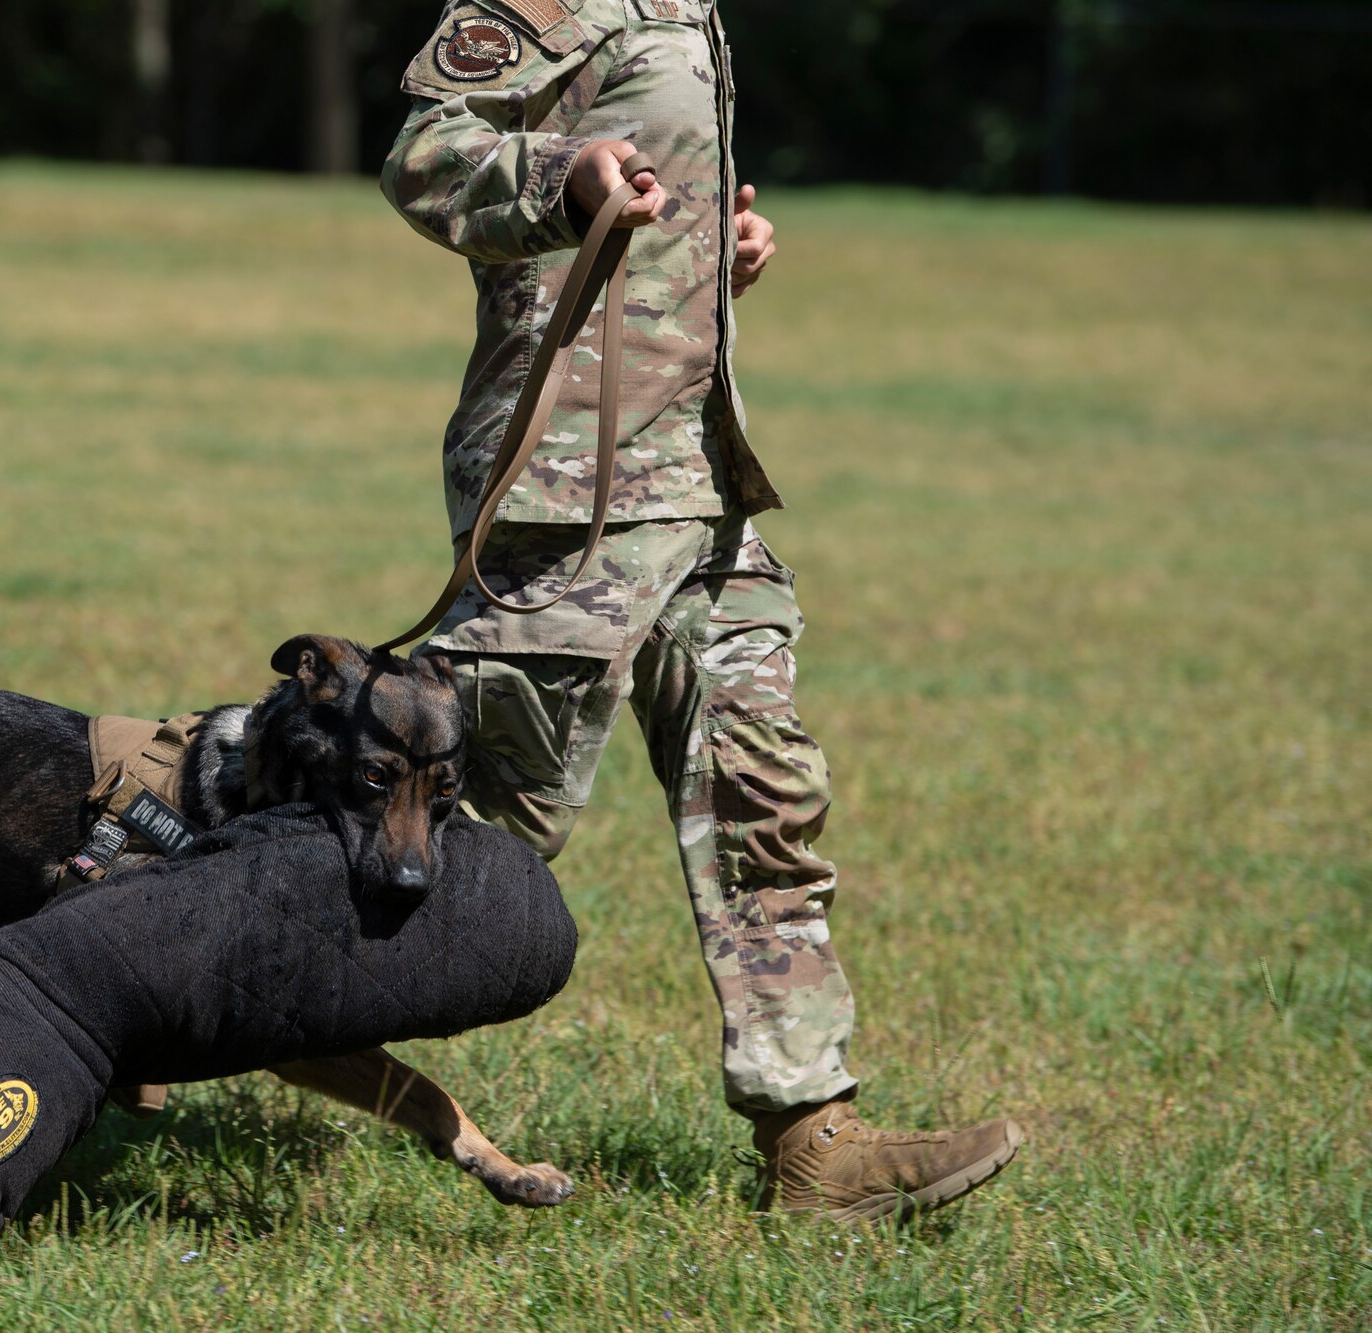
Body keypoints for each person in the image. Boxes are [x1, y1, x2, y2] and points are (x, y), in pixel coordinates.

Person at [381, 0, 1024, 1220]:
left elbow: (640, 228)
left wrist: (708, 263)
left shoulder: (685, 9)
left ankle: (811, 1143)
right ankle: (148, 967)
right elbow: (424, 157)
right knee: (452, 831)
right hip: (575, 489)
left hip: (693, 479)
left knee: (760, 784)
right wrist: (559, 178)